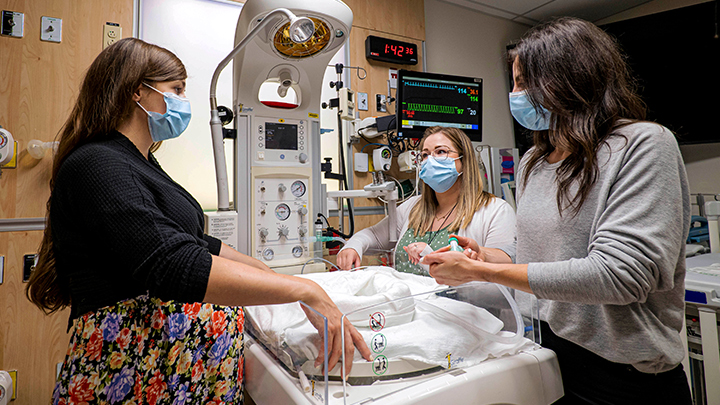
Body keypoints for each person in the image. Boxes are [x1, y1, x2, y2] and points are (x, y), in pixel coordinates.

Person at [25, 38, 370, 404]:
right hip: (133, 372)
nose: (181, 101)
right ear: (137, 92)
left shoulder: (142, 164)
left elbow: (197, 242)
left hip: (182, 370)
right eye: (175, 89)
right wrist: (305, 291)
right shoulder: (97, 164)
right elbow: (171, 264)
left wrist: (278, 282)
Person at [423, 17, 692, 404]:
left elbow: (621, 276)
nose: (515, 94)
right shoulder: (536, 160)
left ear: (571, 78)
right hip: (547, 351)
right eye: (513, 82)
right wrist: (483, 258)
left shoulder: (643, 145)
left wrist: (483, 270)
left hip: (623, 373)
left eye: (523, 82)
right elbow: (543, 260)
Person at [336, 126, 516, 274]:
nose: (430, 160)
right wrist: (352, 247)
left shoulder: (495, 210)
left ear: (463, 160)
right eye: (425, 155)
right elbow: (373, 236)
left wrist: (429, 257)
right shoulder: (413, 207)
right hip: (413, 312)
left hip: (461, 313)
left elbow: (501, 275)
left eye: (441, 152)